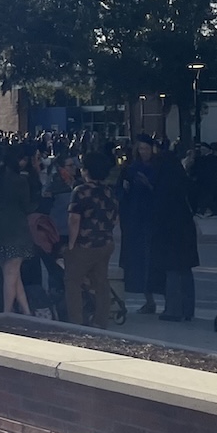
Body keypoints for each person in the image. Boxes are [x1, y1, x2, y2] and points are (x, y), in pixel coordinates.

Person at [0, 144, 39, 316]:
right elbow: (27, 206)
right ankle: (7, 313)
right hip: (15, 230)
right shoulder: (19, 181)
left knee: (10, 273)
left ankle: (26, 310)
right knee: (12, 273)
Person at [65, 153, 118, 328]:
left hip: (85, 243)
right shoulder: (109, 191)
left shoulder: (81, 191)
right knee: (101, 282)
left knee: (73, 281)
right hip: (106, 242)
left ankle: (76, 321)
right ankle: (101, 320)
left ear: (86, 171)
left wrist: (71, 244)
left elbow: (74, 219)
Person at [149, 147, 199, 322]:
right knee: (185, 270)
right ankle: (187, 309)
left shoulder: (163, 184)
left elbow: (158, 209)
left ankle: (173, 309)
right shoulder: (183, 180)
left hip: (168, 231)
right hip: (186, 228)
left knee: (172, 270)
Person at [118, 138, 158, 314]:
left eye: (146, 148)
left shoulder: (158, 168)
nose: (144, 152)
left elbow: (162, 190)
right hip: (134, 218)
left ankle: (152, 298)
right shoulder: (130, 169)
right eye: (141, 148)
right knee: (137, 261)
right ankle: (147, 299)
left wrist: (148, 184)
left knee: (151, 259)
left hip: (152, 216)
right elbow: (120, 190)